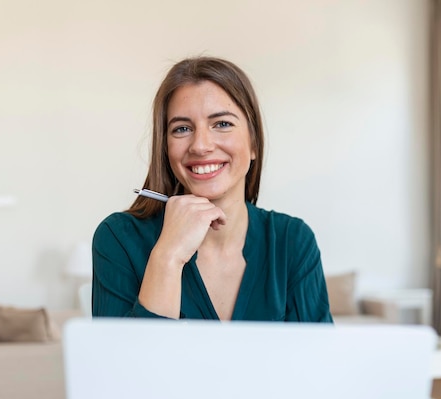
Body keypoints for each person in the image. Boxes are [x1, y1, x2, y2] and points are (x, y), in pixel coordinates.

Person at [92, 56, 332, 322]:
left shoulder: (292, 241)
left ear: (253, 143)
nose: (200, 145)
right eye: (182, 129)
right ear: (165, 147)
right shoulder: (118, 238)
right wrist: (168, 257)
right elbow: (122, 362)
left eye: (222, 124)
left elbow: (318, 361)